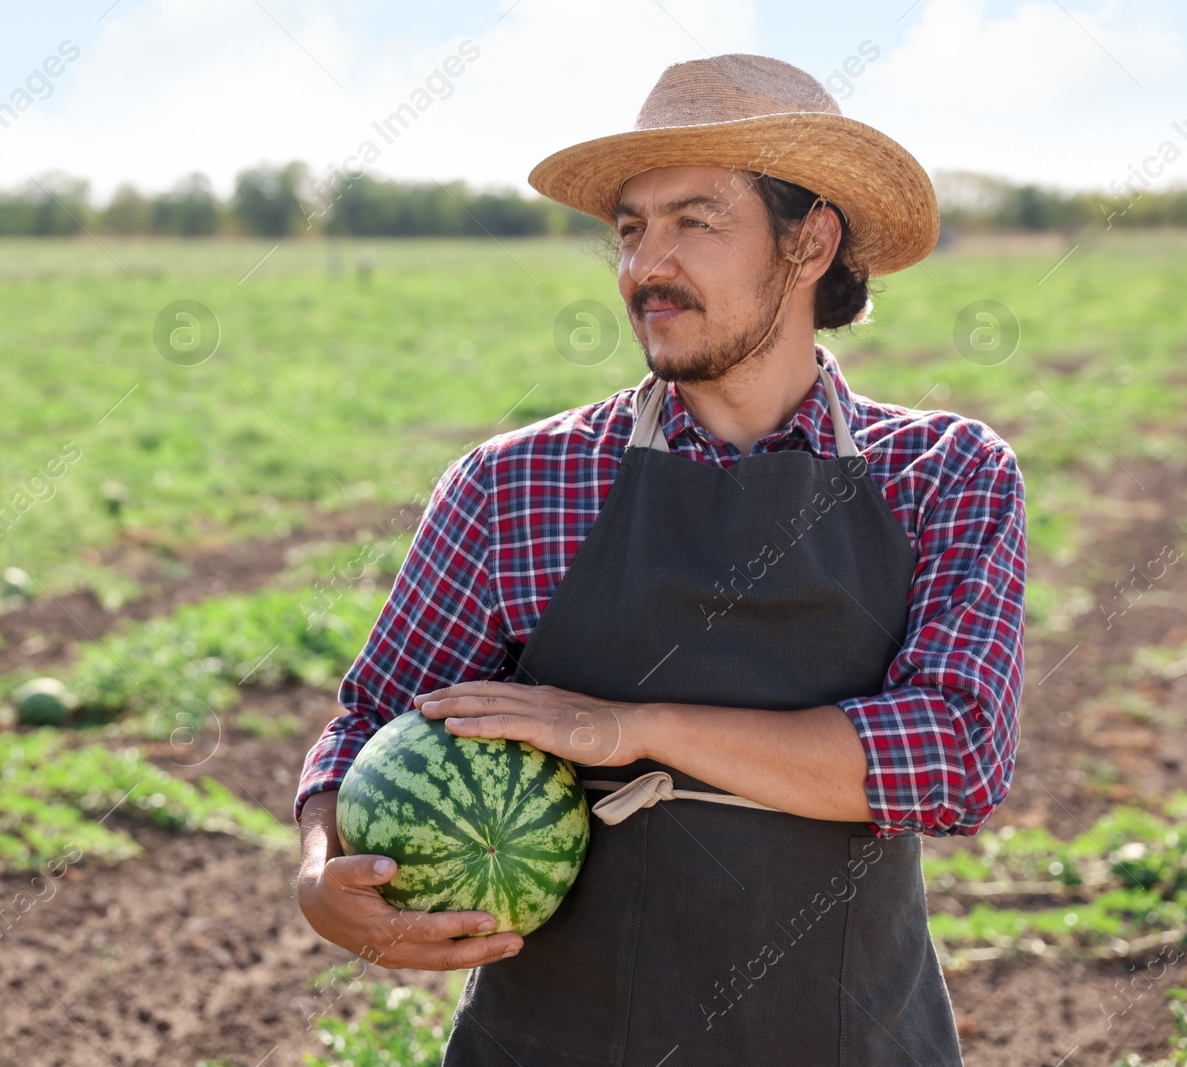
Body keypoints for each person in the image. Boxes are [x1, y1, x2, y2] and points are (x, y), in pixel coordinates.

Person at [294, 53, 1025, 1065]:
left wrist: (626, 726)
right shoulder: (513, 485)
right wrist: (321, 870)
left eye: (694, 219)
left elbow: (951, 752)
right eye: (631, 229)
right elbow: (370, 718)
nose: (645, 266)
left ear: (810, 238)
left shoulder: (942, 475)